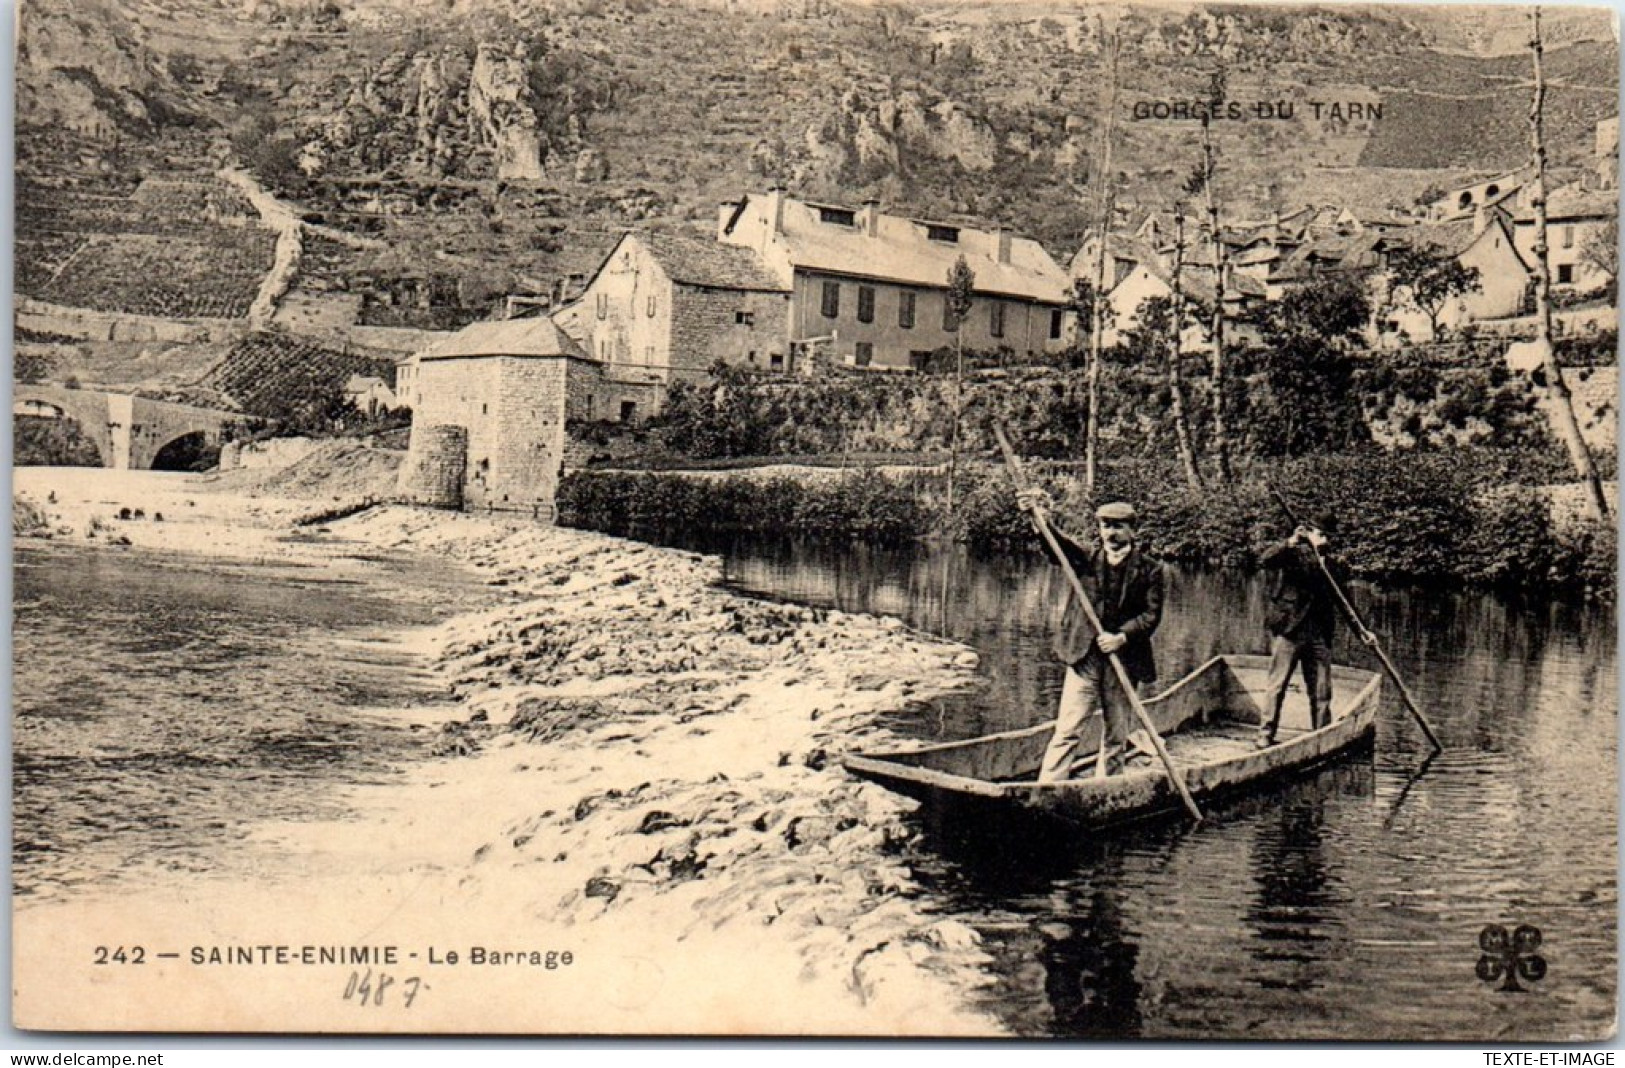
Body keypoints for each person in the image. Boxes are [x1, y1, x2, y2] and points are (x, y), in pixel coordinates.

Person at [1016, 494, 1167, 782]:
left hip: (1123, 659)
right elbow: (1055, 545)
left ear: (1133, 530)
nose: (1111, 533)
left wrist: (1122, 637)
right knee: (1068, 729)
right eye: (1106, 526)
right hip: (1084, 657)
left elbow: (1151, 616)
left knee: (1116, 733)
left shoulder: (1150, 569)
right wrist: (1038, 520)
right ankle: (1048, 787)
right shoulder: (1086, 559)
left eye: (1118, 526)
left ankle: (1105, 788)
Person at [1257, 517, 1340, 748]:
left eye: (1327, 536)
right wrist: (1291, 541)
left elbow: (1344, 603)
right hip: (1290, 630)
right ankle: (1265, 735)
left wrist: (1363, 631)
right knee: (1277, 685)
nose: (1324, 540)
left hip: (1318, 634)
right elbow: (1266, 559)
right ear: (1310, 535)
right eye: (1320, 534)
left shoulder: (1333, 565)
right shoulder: (1294, 555)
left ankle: (1322, 738)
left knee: (1322, 690)